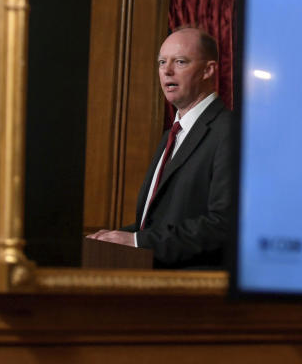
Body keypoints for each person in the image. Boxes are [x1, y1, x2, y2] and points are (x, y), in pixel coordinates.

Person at [87, 26, 235, 268]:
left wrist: (137, 241)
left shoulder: (229, 131)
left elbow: (223, 224)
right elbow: (159, 224)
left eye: (180, 62)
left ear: (209, 70)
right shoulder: (173, 134)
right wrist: (110, 239)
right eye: (161, 62)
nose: (166, 71)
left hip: (194, 293)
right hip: (154, 282)